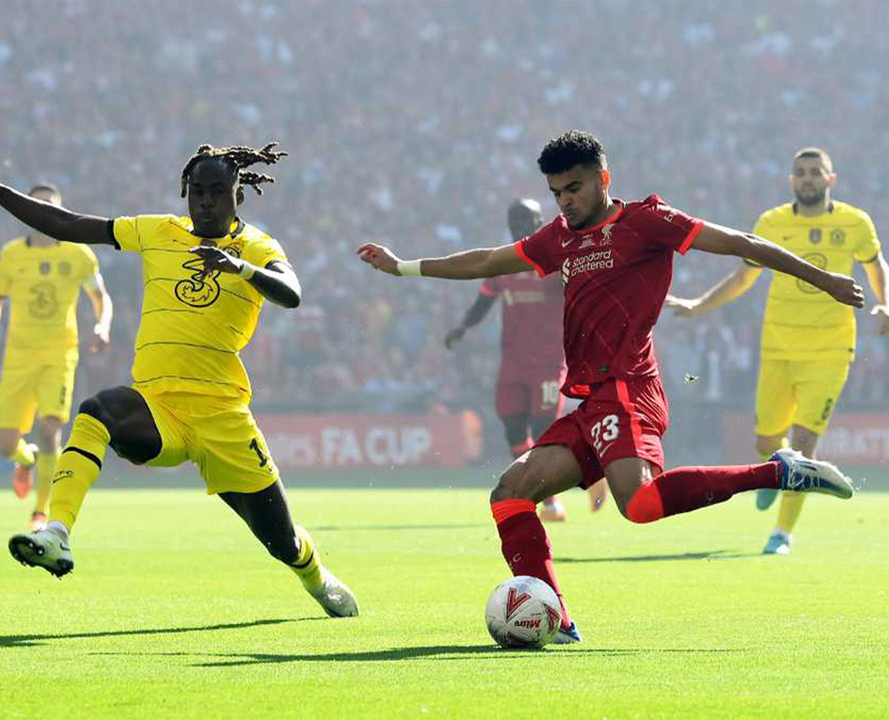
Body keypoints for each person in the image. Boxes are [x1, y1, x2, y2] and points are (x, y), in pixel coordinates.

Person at [357, 131, 860, 642]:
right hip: (590, 401)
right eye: (556, 192)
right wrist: (403, 266)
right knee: (510, 493)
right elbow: (488, 261)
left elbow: (741, 244)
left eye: (573, 188)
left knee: (638, 506)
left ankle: (777, 471)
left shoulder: (649, 222)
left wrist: (828, 282)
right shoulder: (560, 236)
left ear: (603, 179)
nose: (564, 201)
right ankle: (558, 622)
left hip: (628, 389)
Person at [0, 144, 358, 618]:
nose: (207, 201)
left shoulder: (257, 247)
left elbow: (292, 295)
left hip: (223, 418)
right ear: (184, 192)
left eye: (218, 192)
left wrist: (241, 269)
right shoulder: (157, 231)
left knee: (282, 541)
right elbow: (67, 225)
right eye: (197, 192)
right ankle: (56, 532)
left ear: (239, 193)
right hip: (158, 407)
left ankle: (315, 576)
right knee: (98, 411)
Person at [667, 147, 888, 555]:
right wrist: (699, 305)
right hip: (778, 346)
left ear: (830, 179)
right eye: (801, 173)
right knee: (766, 439)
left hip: (831, 348)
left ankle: (781, 533)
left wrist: (885, 301)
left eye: (815, 172)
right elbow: (743, 276)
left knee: (804, 443)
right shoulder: (772, 222)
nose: (807, 179)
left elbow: (876, 264)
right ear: (791, 181)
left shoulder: (854, 223)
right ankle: (773, 470)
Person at [445, 198, 607, 521]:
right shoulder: (503, 265)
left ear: (539, 221)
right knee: (513, 430)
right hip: (512, 363)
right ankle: (549, 499)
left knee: (544, 432)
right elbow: (483, 302)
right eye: (516, 218)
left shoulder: (555, 264)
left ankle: (573, 483)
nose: (522, 224)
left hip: (548, 361)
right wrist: (463, 326)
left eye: (529, 218)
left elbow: (583, 301)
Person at [0, 182, 114, 530]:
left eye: (51, 206)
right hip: (18, 357)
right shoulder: (12, 254)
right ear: (26, 208)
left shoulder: (78, 254)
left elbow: (101, 297)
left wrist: (102, 325)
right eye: (36, 205)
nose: (43, 211)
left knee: (50, 428)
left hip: (59, 354)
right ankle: (26, 460)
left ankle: (40, 511)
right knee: (4, 445)